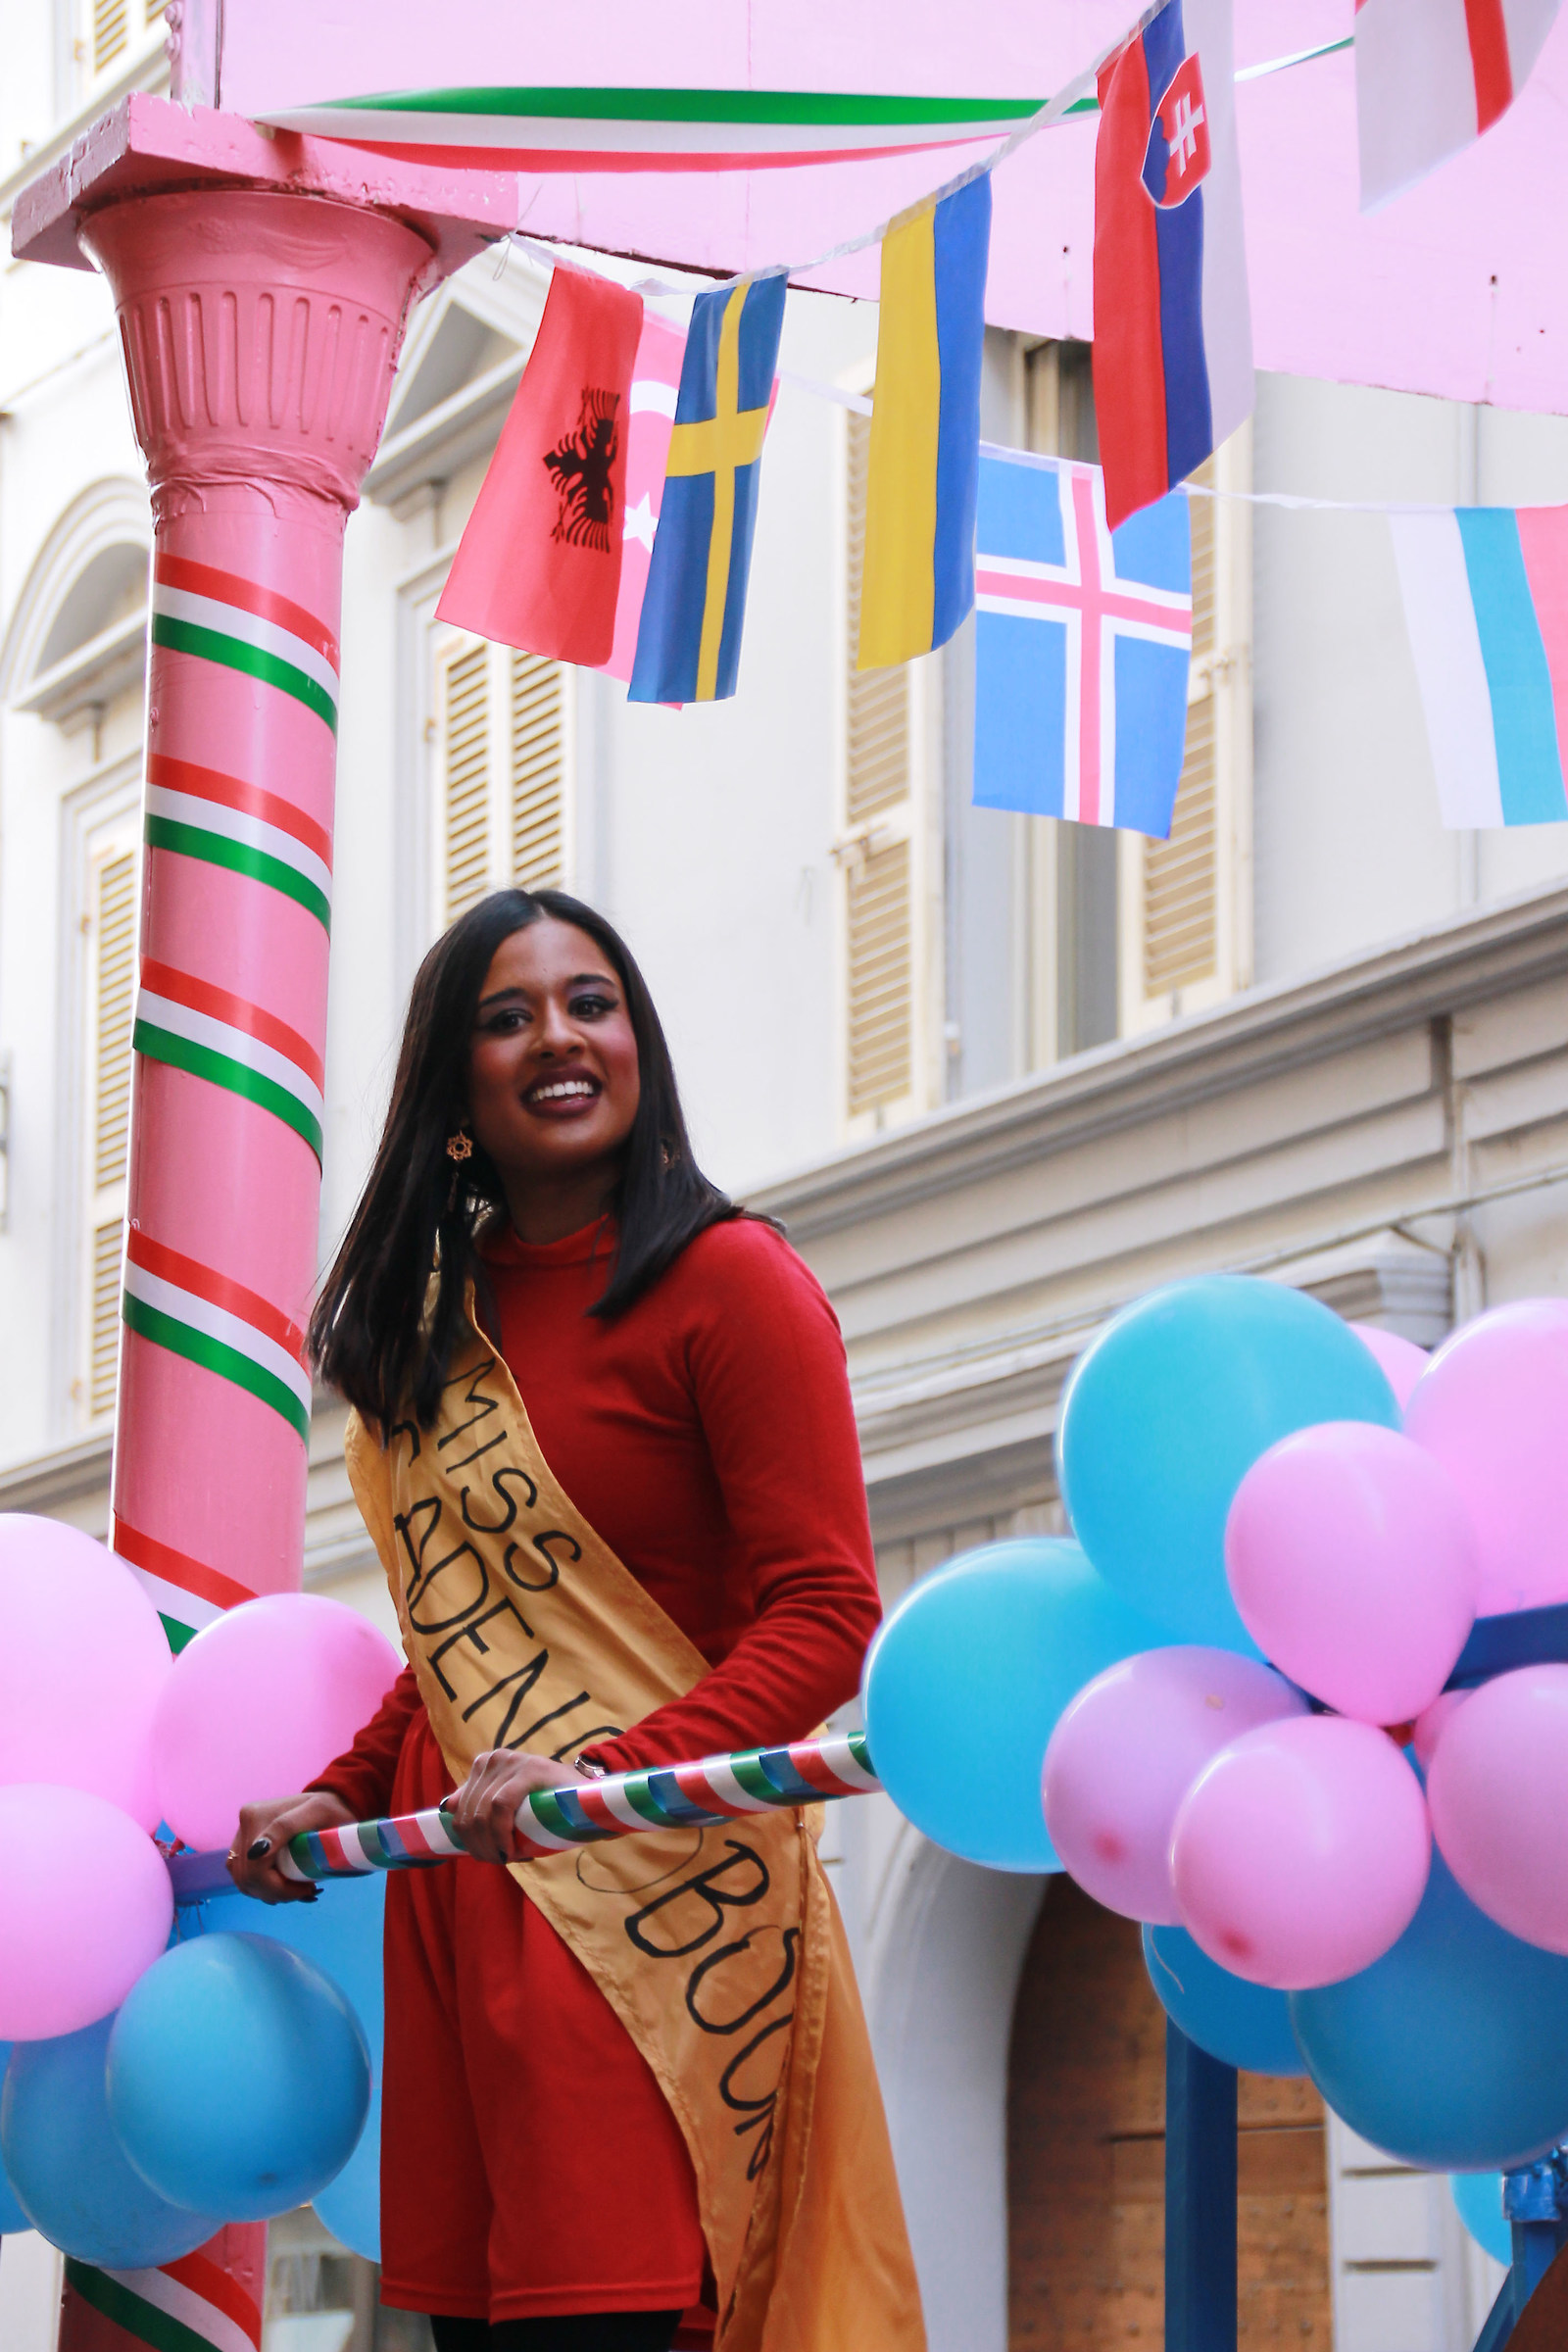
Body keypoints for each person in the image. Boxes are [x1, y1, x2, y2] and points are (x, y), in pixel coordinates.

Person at [228, 890, 924, 2352]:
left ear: (637, 1045)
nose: (559, 1035)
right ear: (454, 1088)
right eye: (508, 1014)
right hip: (466, 1889)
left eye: (590, 1002)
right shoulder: (428, 1334)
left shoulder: (732, 1283)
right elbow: (456, 1645)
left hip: (647, 1905)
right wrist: (344, 1792)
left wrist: (608, 1782)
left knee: (617, 2323)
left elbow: (828, 1613)